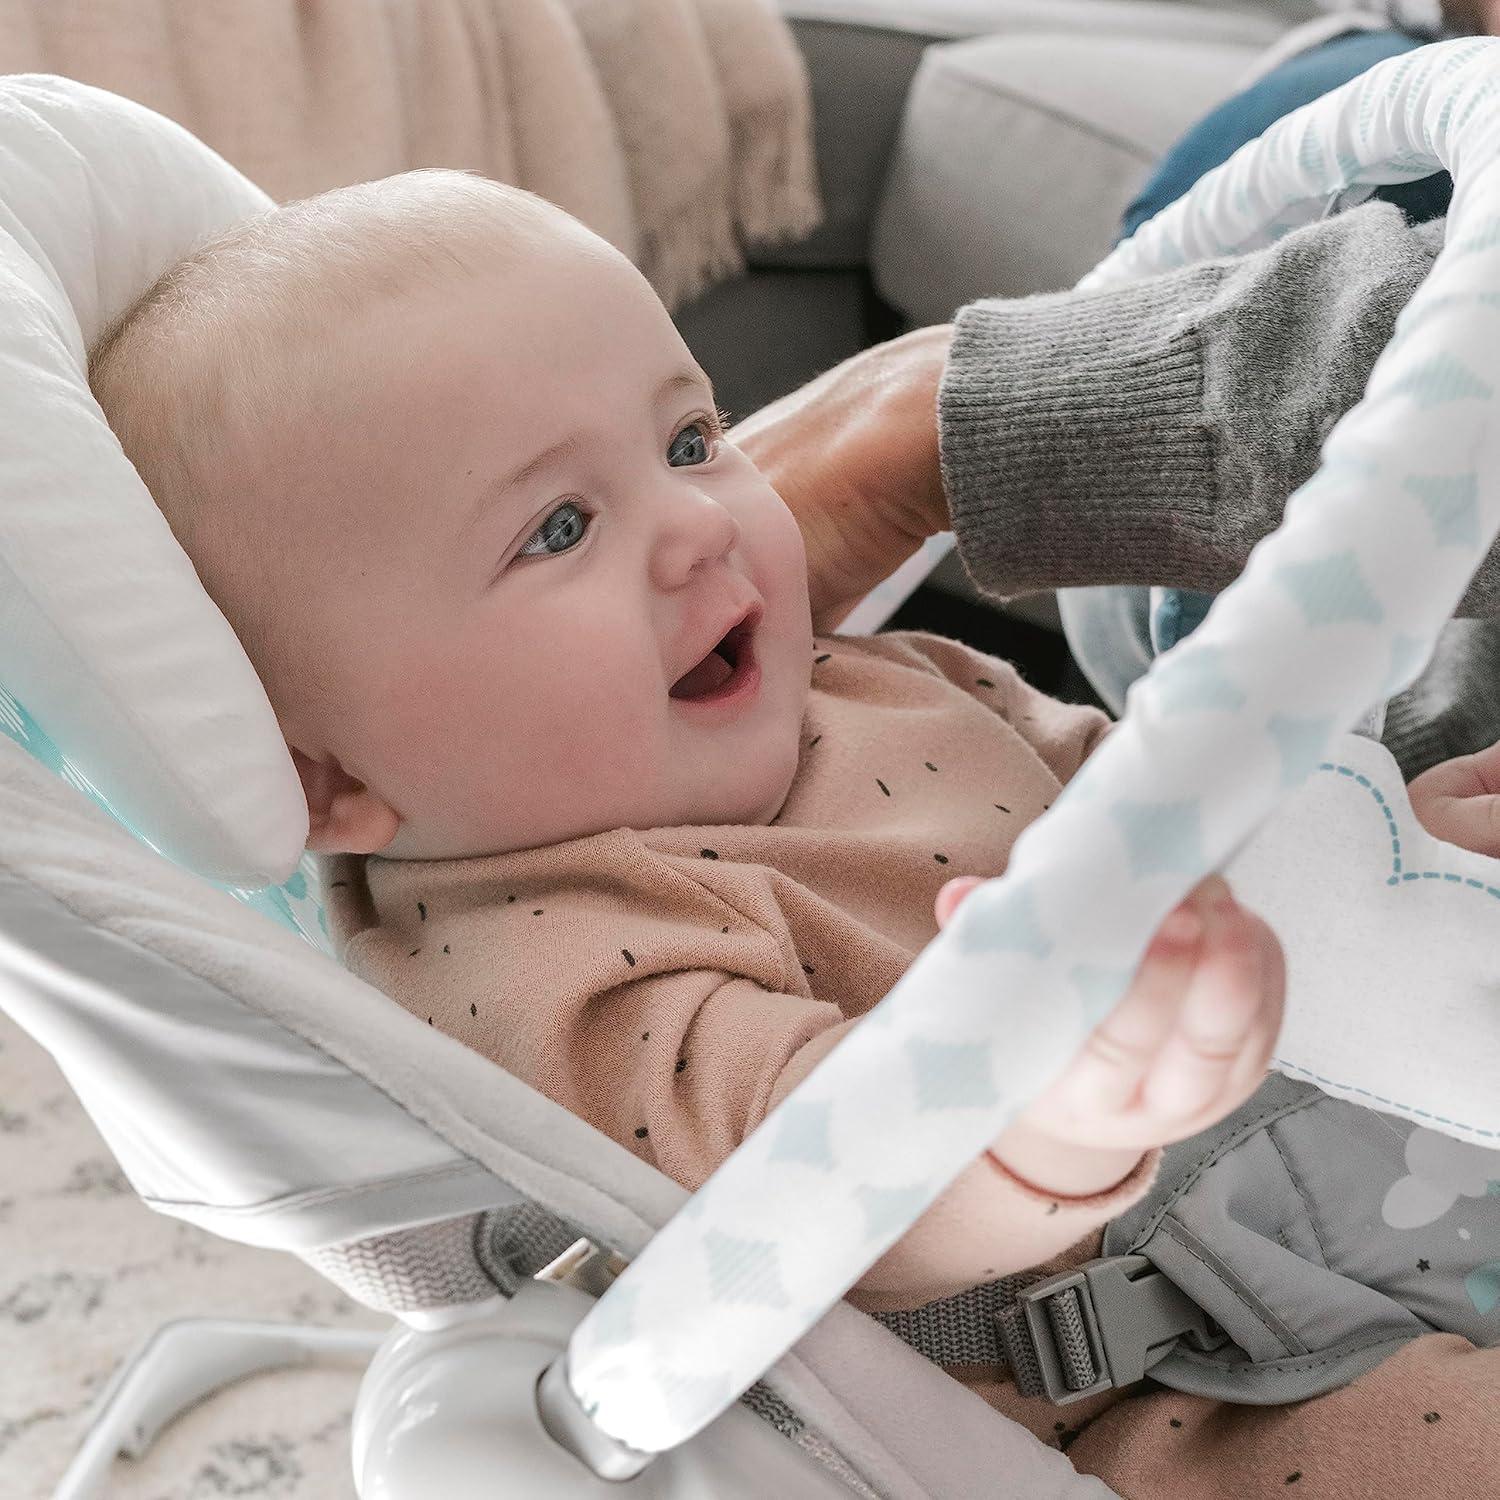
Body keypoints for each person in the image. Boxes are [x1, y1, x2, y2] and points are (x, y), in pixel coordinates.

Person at [88, 170, 1497, 1497]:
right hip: (1198, 1369)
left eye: (690, 443)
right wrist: (1057, 1116)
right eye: (559, 528)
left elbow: (1163, 807)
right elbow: (823, 1206)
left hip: (1364, 1133)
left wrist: (1368, 848)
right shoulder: (547, 958)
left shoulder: (876, 682)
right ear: (322, 780)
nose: (698, 527)